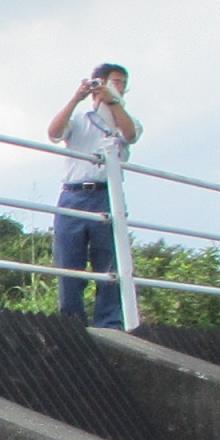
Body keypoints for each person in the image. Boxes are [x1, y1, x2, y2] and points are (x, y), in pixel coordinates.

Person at [47, 62, 145, 325]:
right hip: (73, 193)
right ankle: (71, 321)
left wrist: (113, 102)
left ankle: (109, 322)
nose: (120, 87)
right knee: (69, 262)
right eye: (115, 81)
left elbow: (130, 134)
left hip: (106, 194)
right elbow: (54, 133)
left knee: (110, 263)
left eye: (124, 83)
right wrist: (76, 98)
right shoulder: (79, 119)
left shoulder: (127, 119)